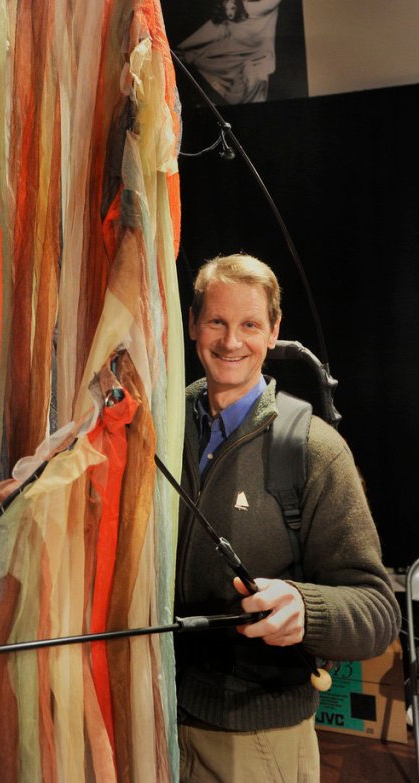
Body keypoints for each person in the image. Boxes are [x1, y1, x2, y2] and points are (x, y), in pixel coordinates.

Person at [175, 253, 401, 782]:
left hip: (257, 744)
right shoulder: (159, 425)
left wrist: (306, 606)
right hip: (152, 715)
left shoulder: (315, 450)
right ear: (192, 324)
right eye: (216, 321)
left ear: (274, 331)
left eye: (250, 324)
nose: (231, 341)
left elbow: (376, 612)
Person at [176, 0, 287, 103]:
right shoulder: (225, 24)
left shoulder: (253, 14)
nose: (229, 12)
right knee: (205, 56)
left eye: (232, 8)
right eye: (226, 9)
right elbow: (202, 35)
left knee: (256, 82)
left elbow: (267, 4)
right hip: (237, 60)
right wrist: (181, 46)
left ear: (238, 7)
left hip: (258, 58)